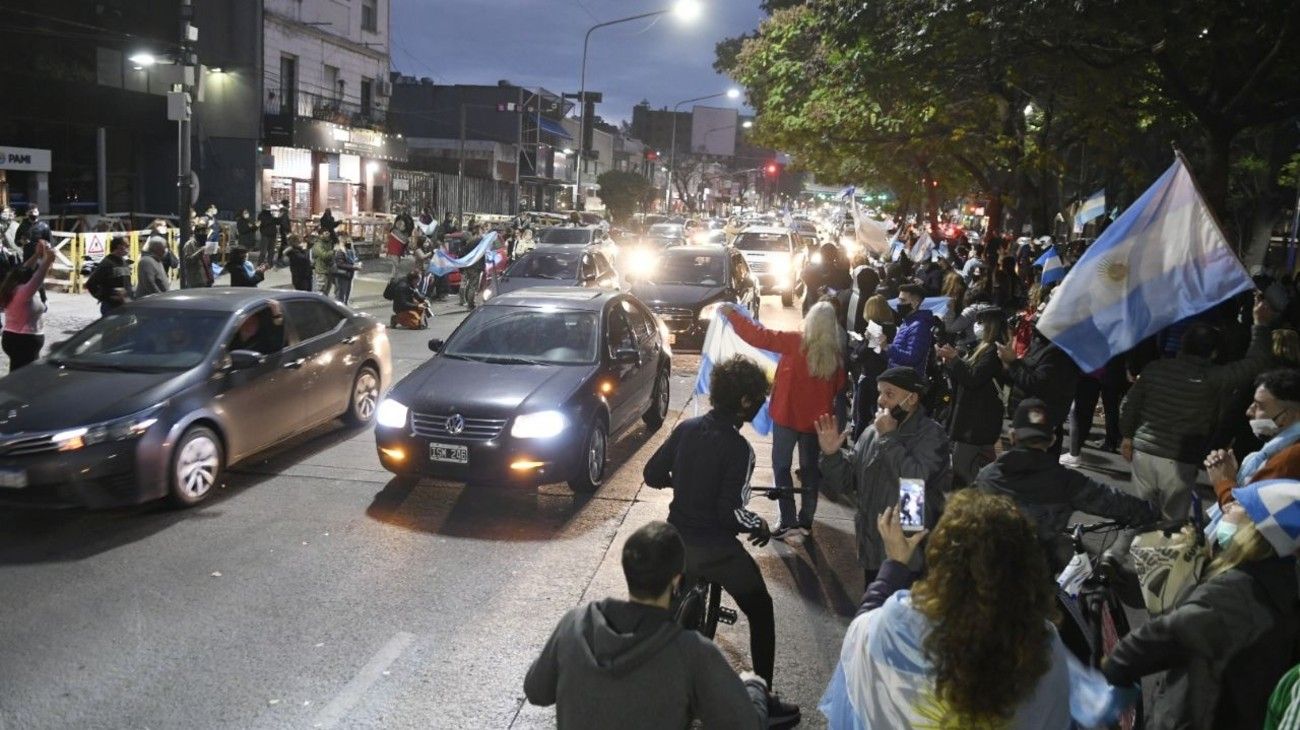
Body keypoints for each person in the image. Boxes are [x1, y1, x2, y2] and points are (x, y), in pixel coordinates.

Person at [820, 490, 1083, 729]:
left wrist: (895, 564)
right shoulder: (1041, 642)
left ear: (942, 560)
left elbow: (860, 636)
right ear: (1027, 568)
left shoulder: (900, 623)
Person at [642, 355, 801, 727]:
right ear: (745, 401)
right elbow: (729, 512)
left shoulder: (686, 428)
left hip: (676, 540)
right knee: (761, 610)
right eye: (759, 398)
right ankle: (764, 696)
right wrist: (758, 523)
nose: (761, 403)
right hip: (715, 550)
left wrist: (678, 481)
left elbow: (652, 473)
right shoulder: (739, 449)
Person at [523, 521, 770, 730]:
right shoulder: (692, 653)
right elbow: (747, 724)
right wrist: (754, 686)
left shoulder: (574, 624)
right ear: (677, 580)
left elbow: (536, 691)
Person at [1102, 478, 1300, 730]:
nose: (1227, 508)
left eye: (1239, 505)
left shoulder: (1238, 590)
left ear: (1257, 531)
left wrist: (1117, 665)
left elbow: (1169, 633)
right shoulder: (1285, 587)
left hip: (1196, 715)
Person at [1119, 304, 1275, 519]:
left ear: (1181, 345)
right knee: (1171, 522)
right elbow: (1256, 362)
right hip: (1182, 458)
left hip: (1143, 451)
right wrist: (1260, 325)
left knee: (1140, 511)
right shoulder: (1215, 378)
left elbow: (1129, 405)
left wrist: (1127, 436)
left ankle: (1118, 551)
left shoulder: (1155, 369)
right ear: (1213, 353)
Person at [971, 398, 1156, 571]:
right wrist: (1150, 511)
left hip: (987, 572)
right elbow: (1121, 505)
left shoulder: (987, 475)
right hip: (1038, 577)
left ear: (1012, 436)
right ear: (1051, 439)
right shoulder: (1067, 481)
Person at [816, 366, 951, 586]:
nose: (881, 400)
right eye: (880, 393)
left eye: (889, 394)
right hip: (872, 548)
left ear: (912, 398)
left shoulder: (930, 435)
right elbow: (847, 482)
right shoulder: (872, 432)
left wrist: (888, 439)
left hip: (909, 554)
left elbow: (916, 483)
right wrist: (831, 456)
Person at [724, 301, 846, 539]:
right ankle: (806, 521)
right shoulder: (836, 357)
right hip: (816, 424)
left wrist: (733, 316)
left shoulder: (795, 342)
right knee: (810, 471)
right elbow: (839, 387)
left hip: (787, 417)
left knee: (781, 467)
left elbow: (760, 337)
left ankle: (787, 519)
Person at [1206, 369, 1300, 506]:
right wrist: (1234, 474)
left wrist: (1223, 482)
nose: (1249, 411)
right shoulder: (1283, 449)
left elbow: (1246, 514)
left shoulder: (1290, 457)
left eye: (1259, 406)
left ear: (1286, 416)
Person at [936, 307, 1006, 486]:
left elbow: (973, 378)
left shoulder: (993, 351)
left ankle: (964, 507)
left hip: (977, 420)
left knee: (961, 468)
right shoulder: (981, 347)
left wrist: (955, 359)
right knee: (970, 470)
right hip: (971, 417)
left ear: (991, 325)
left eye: (981, 322)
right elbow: (965, 376)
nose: (976, 326)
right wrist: (952, 361)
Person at [996, 323, 1080, 456]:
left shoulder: (1057, 351)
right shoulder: (1040, 342)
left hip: (1040, 421)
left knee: (1036, 467)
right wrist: (1007, 366)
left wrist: (1013, 363)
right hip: (1028, 416)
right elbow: (1025, 373)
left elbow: (1037, 383)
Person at [0, 241, 55, 370]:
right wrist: (48, 260)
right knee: (25, 375)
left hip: (13, 337)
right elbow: (39, 276)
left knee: (16, 371)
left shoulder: (12, 287)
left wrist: (37, 255)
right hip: (24, 339)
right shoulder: (23, 292)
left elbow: (23, 270)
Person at [886, 283, 934, 375]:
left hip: (906, 381)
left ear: (915, 303)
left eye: (903, 301)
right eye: (899, 301)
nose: (899, 305)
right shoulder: (907, 322)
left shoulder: (919, 327)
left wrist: (887, 348)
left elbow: (912, 358)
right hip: (898, 376)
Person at [84, 236, 133, 316]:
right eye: (127, 245)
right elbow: (91, 283)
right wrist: (106, 297)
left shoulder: (124, 262)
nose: (129, 247)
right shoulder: (107, 263)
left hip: (124, 305)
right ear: (119, 246)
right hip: (110, 307)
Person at [181, 218, 215, 289]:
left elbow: (209, 261)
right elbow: (187, 261)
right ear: (196, 233)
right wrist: (200, 251)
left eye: (205, 232)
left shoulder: (205, 243)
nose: (204, 234)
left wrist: (214, 252)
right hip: (197, 280)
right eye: (202, 232)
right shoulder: (189, 244)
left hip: (208, 278)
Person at [332, 237, 359, 305]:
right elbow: (340, 264)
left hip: (348, 275)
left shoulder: (350, 251)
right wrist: (353, 267)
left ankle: (344, 305)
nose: (350, 244)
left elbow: (354, 259)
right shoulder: (340, 251)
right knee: (340, 293)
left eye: (350, 242)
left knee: (346, 293)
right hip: (342, 275)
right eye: (348, 243)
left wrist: (356, 264)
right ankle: (339, 308)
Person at [312, 233, 335, 298]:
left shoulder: (329, 243)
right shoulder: (318, 244)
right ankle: (318, 306)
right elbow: (323, 255)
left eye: (328, 233)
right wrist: (333, 251)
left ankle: (324, 305)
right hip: (321, 271)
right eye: (325, 233)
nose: (328, 235)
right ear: (320, 234)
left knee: (327, 290)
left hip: (329, 270)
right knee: (321, 291)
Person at [275, 199, 292, 264]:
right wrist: (288, 232)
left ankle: (280, 258)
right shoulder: (284, 212)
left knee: (284, 245)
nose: (289, 205)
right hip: (285, 232)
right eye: (288, 203)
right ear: (286, 204)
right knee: (285, 245)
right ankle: (280, 259)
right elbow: (284, 223)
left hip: (284, 231)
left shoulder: (283, 212)